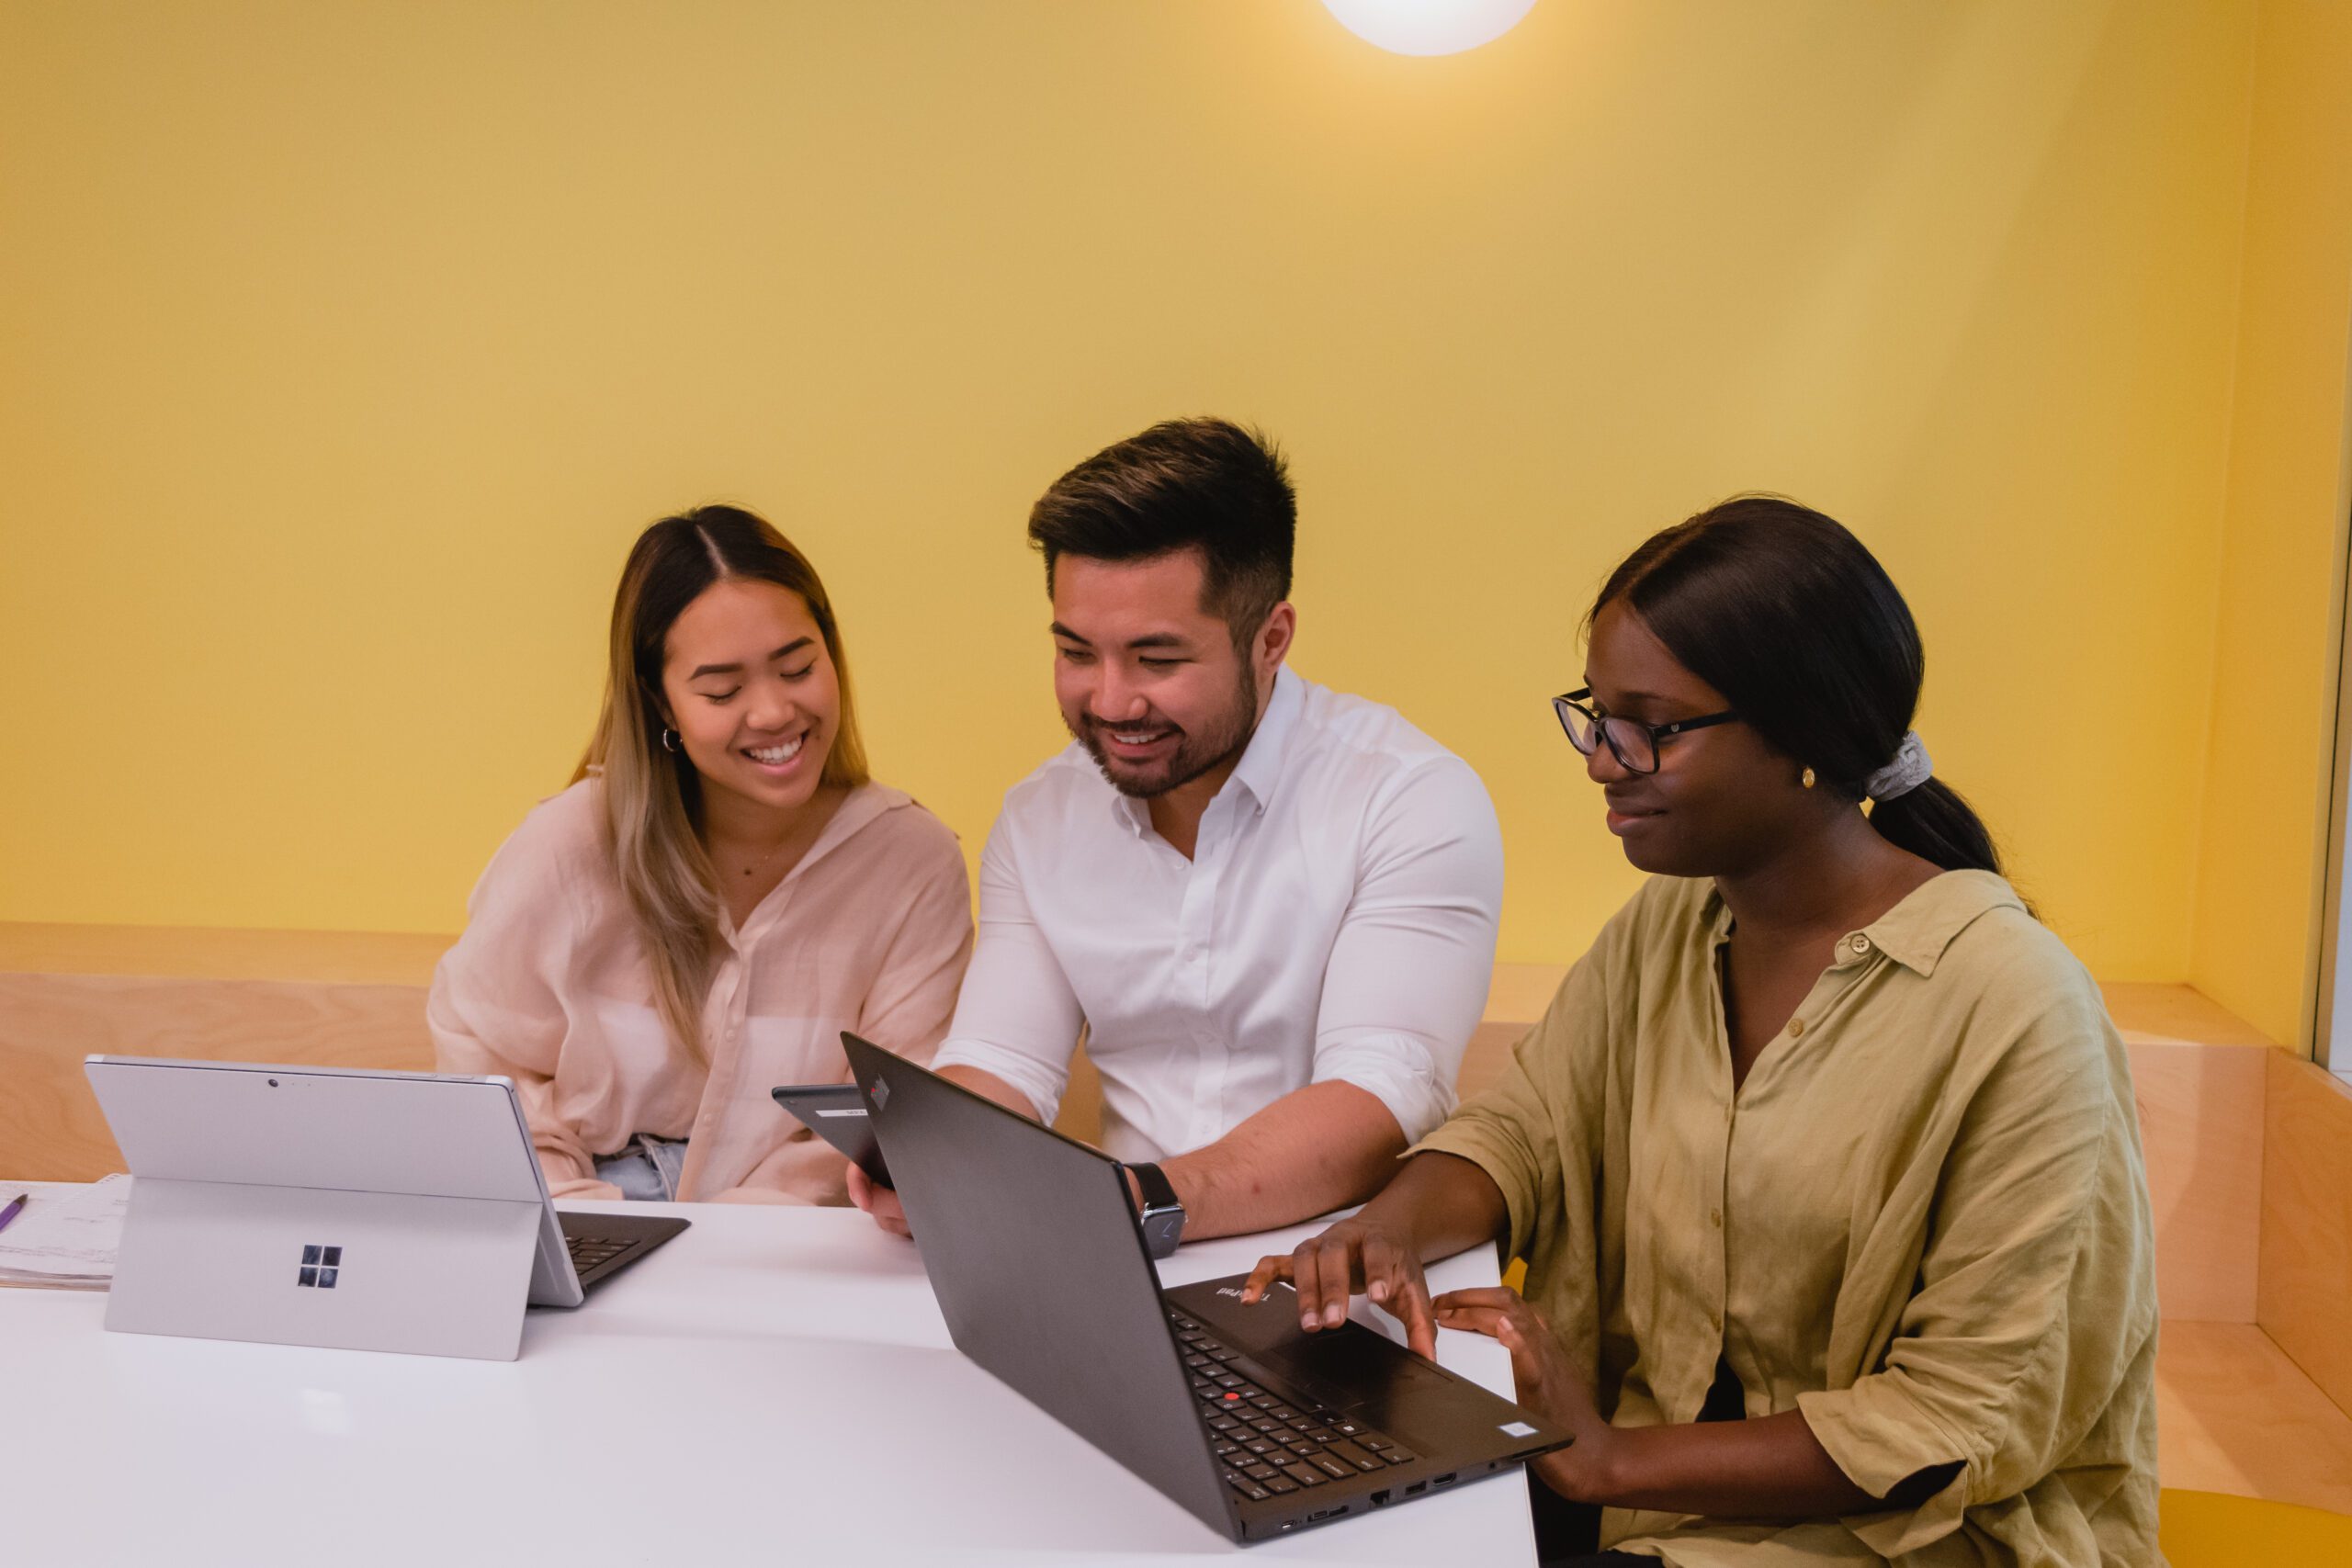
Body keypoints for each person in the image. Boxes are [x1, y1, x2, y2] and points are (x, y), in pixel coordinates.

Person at [1244, 496, 2162, 1565]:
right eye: (1597, 712)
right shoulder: (1674, 924)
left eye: (1651, 727)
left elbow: (1954, 1421)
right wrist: (1390, 1228)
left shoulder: (2015, 1006)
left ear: (1805, 737)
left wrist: (1606, 1461)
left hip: (1906, 1536)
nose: (1600, 758)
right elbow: (1529, 1130)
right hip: (1648, 1501)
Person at [852, 418, 1503, 1246]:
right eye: (1077, 652)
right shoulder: (1040, 817)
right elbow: (1005, 1061)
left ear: (1271, 639)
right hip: (1123, 1260)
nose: (1113, 702)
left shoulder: (1410, 798)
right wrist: (937, 1152)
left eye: (1157, 661)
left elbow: (1380, 1097)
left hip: (1339, 1271)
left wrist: (1128, 1205)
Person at [430, 505, 972, 1203]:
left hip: (798, 1236)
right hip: (588, 1202)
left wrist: (724, 1245)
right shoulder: (568, 845)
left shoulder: (911, 862)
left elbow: (897, 1113)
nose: (774, 712)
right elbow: (484, 1068)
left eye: (798, 667)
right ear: (662, 703)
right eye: (722, 690)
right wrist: (581, 1220)